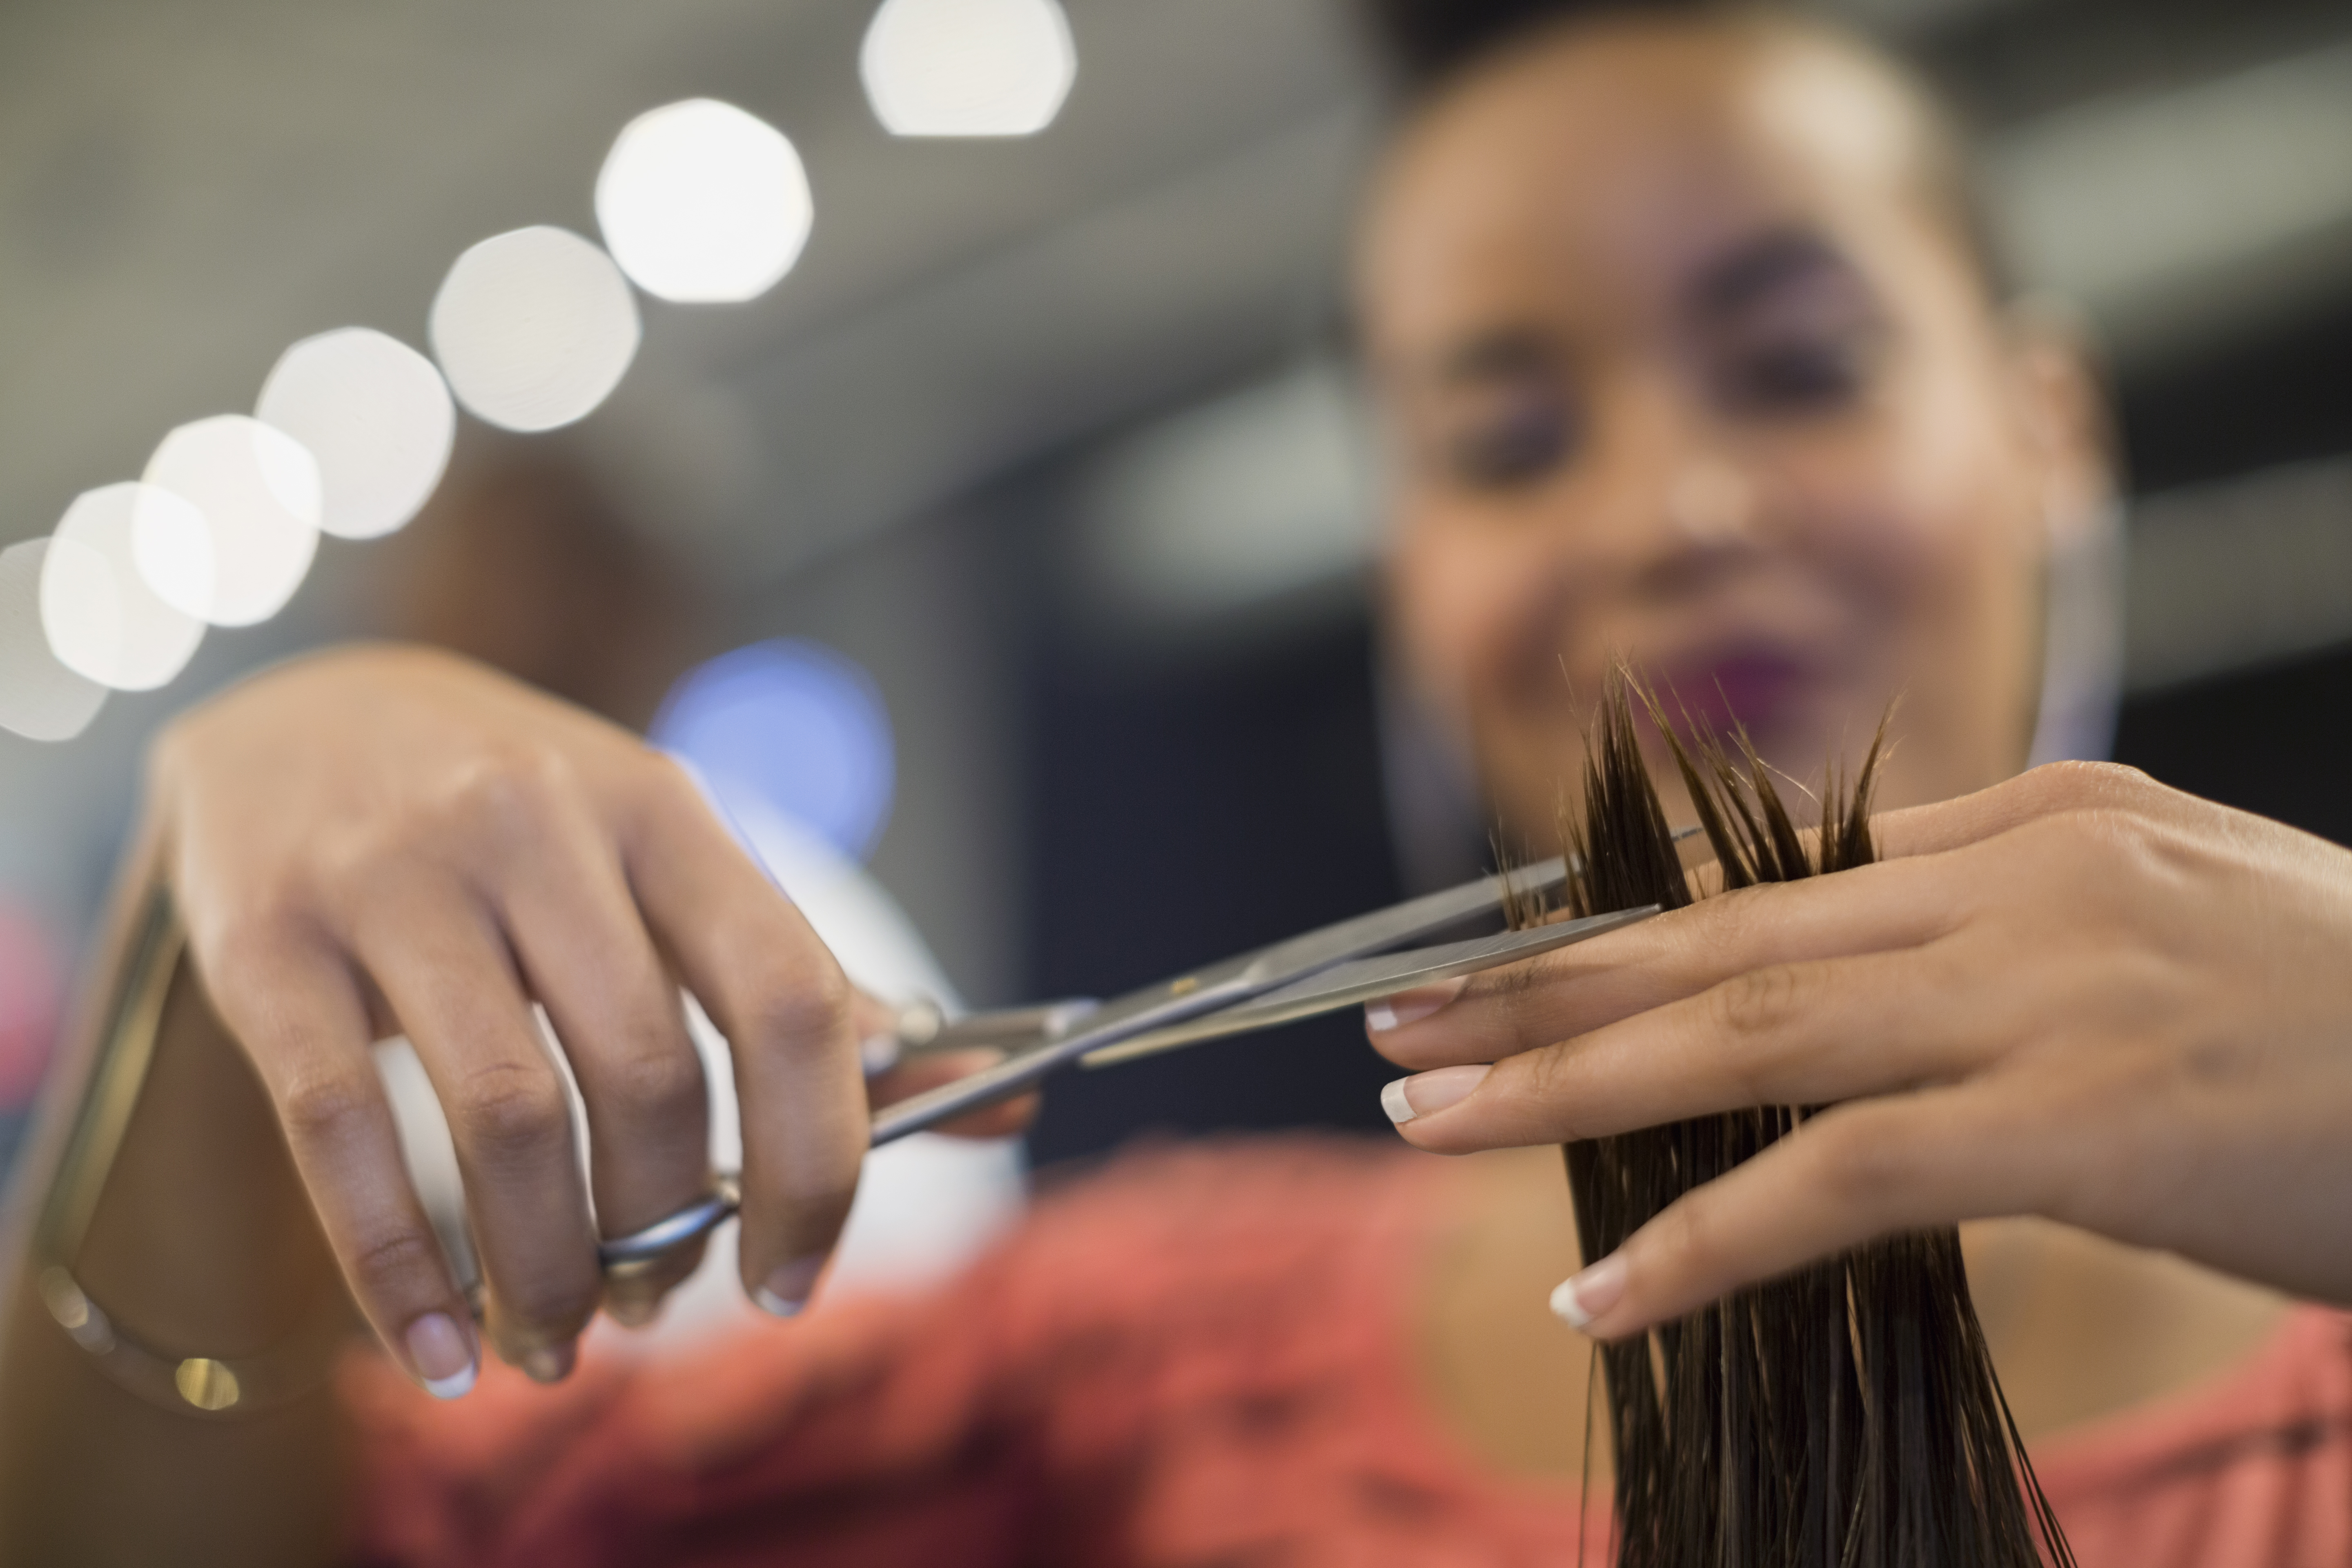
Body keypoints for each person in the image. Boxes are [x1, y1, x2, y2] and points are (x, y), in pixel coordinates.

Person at [7, 2, 2352, 1563]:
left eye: (1803, 364)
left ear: (2051, 426)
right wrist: (197, 963)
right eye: (1512, 434)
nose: (1671, 508)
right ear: (1408, 561)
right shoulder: (1150, 1375)